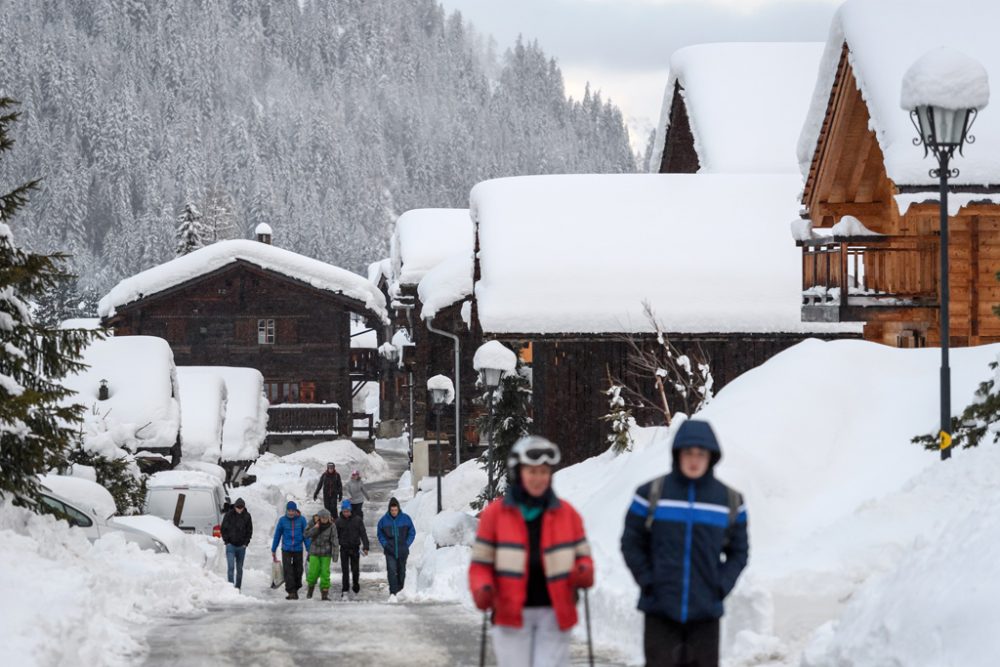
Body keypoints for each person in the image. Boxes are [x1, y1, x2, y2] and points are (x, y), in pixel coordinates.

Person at [620, 419, 749, 667]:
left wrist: (720, 586)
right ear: (677, 453)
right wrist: (648, 581)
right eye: (688, 452)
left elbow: (739, 552)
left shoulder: (730, 500)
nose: (694, 460)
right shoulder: (651, 493)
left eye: (701, 454)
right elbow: (631, 543)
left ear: (711, 456)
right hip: (660, 611)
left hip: (705, 614)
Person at [469, 436, 594, 667]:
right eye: (532, 472)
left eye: (544, 472)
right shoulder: (495, 515)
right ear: (519, 473)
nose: (538, 478)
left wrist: (583, 569)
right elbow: (480, 565)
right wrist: (482, 587)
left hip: (555, 612)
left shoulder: (568, 514)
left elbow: (583, 556)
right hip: (510, 613)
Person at [377, 497, 416, 601]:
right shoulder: (383, 521)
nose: (394, 512)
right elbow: (380, 534)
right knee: (391, 571)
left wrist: (406, 544)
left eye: (395, 510)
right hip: (390, 551)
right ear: (389, 510)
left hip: (403, 550)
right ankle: (393, 593)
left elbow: (412, 532)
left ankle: (400, 590)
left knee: (401, 571)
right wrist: (385, 544)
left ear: (398, 509)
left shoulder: (406, 519)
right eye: (392, 510)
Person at [271, 500, 311, 600]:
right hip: (286, 548)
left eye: (293, 510)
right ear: (287, 510)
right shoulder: (282, 520)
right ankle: (291, 591)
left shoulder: (302, 520)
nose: (291, 512)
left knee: (298, 570)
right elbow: (277, 535)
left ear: (295, 510)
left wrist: (309, 548)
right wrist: (273, 548)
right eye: (289, 510)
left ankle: (296, 588)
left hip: (298, 548)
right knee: (288, 570)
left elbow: (306, 535)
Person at [335, 499, 369, 598]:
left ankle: (355, 584)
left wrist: (366, 546)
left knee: (355, 569)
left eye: (348, 511)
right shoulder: (338, 521)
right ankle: (345, 589)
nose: (346, 513)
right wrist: (334, 547)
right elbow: (335, 536)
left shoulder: (357, 520)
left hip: (355, 548)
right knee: (345, 570)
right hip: (344, 549)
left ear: (350, 511)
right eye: (344, 511)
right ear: (342, 511)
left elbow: (363, 534)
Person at [304, 508, 339, 600]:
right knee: (313, 572)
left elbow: (335, 541)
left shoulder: (332, 526)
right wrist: (315, 528)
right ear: (319, 517)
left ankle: (324, 594)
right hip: (314, 552)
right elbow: (306, 534)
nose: (324, 519)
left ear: (329, 517)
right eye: (322, 517)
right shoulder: (312, 523)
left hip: (326, 553)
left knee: (325, 573)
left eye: (326, 518)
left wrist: (335, 555)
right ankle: (310, 589)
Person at [220, 497, 252, 590]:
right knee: (230, 567)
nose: (239, 509)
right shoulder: (229, 515)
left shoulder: (247, 516)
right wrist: (227, 542)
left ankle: (238, 588)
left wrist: (246, 543)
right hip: (231, 546)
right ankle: (231, 588)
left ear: (244, 507)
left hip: (241, 547)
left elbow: (249, 531)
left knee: (239, 569)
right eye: (238, 507)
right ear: (235, 506)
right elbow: (223, 529)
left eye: (241, 507)